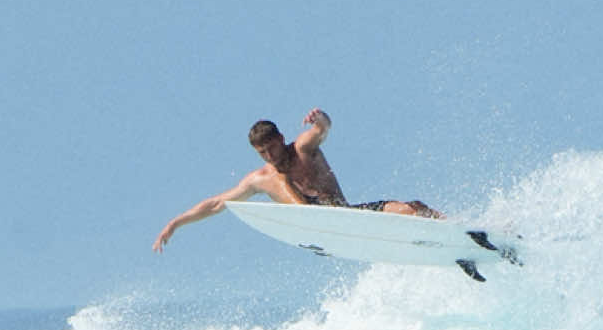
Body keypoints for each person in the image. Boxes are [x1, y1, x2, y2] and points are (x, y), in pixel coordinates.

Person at [152, 108, 436, 251]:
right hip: (313, 227)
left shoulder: (303, 149)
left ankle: (459, 233)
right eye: (261, 152)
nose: (269, 155)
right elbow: (216, 204)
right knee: (272, 179)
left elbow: (323, 130)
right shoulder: (261, 178)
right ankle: (315, 219)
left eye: (271, 148)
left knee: (412, 209)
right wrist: (176, 222)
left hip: (345, 215)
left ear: (281, 139)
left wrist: (320, 118)